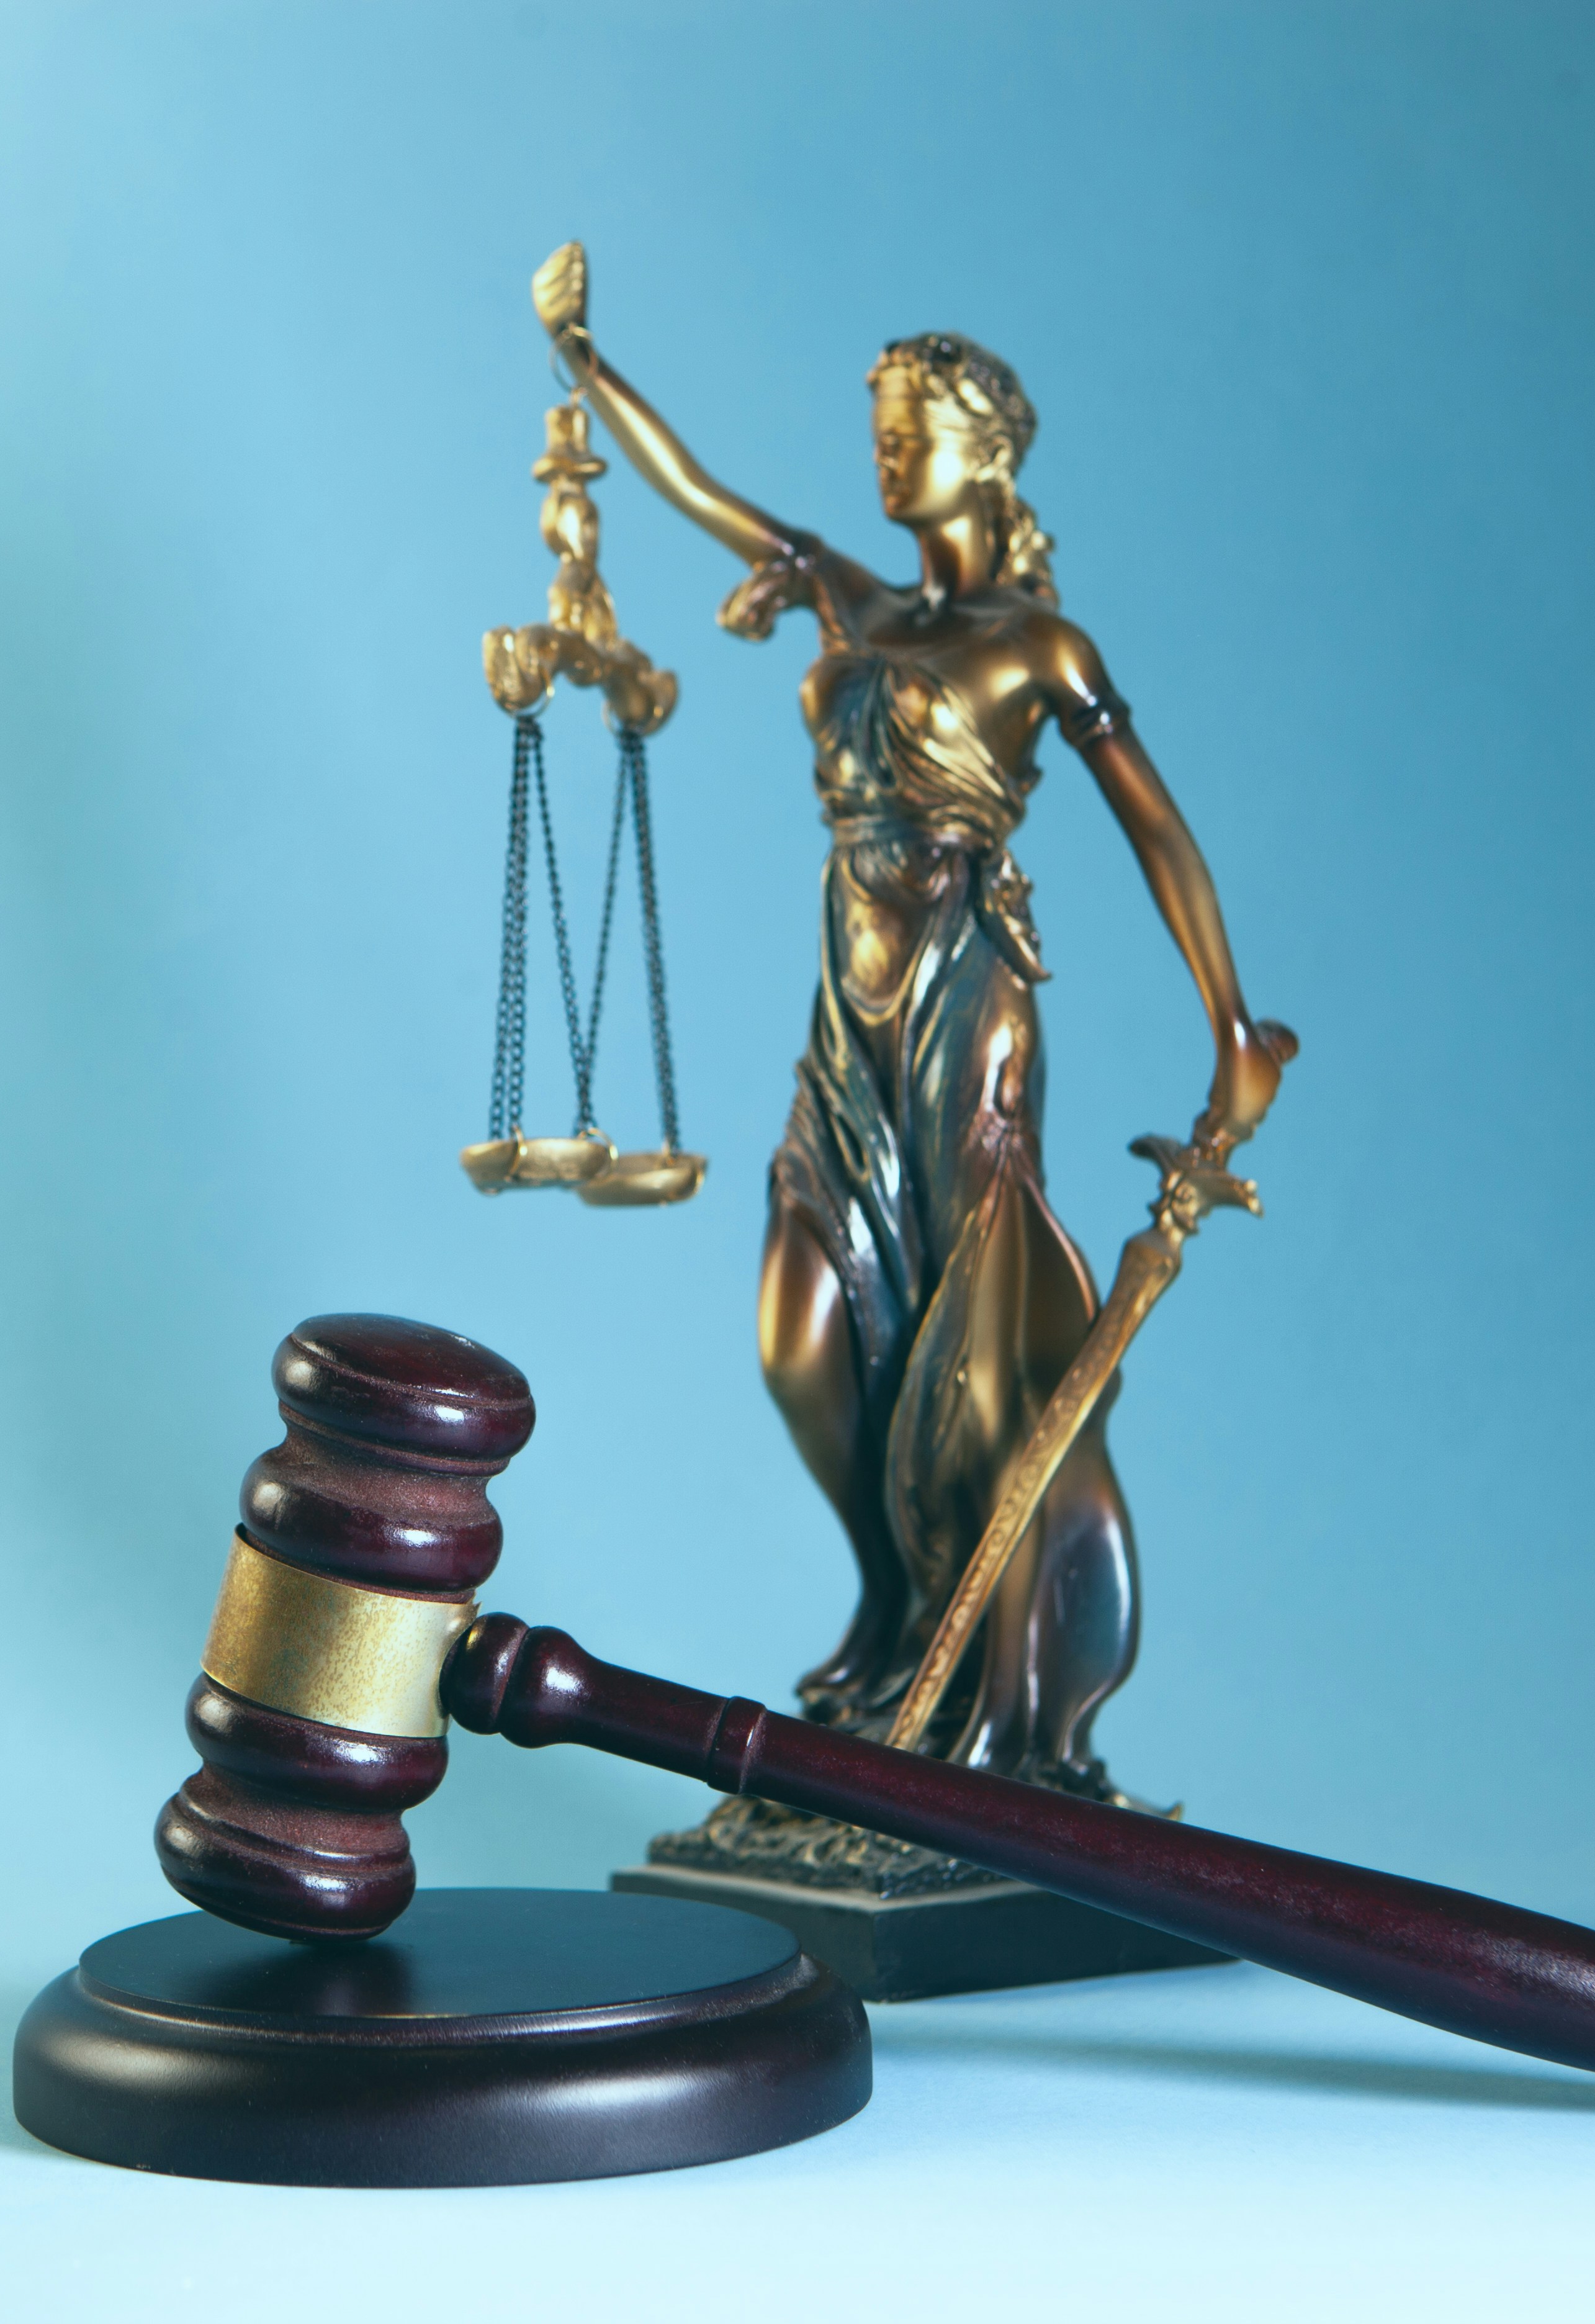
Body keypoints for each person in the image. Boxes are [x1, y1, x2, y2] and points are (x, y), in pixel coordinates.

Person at [547, 275, 1282, 1798]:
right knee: (800, 1337)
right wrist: (582, 365)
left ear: (987, 452)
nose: (883, 459)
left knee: (969, 1351)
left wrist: (1227, 1031)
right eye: (874, 432)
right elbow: (694, 491)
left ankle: (984, 1669)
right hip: (846, 1008)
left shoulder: (1041, 651)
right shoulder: (850, 601)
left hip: (964, 998)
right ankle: (891, 1610)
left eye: (912, 433)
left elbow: (1158, 834)